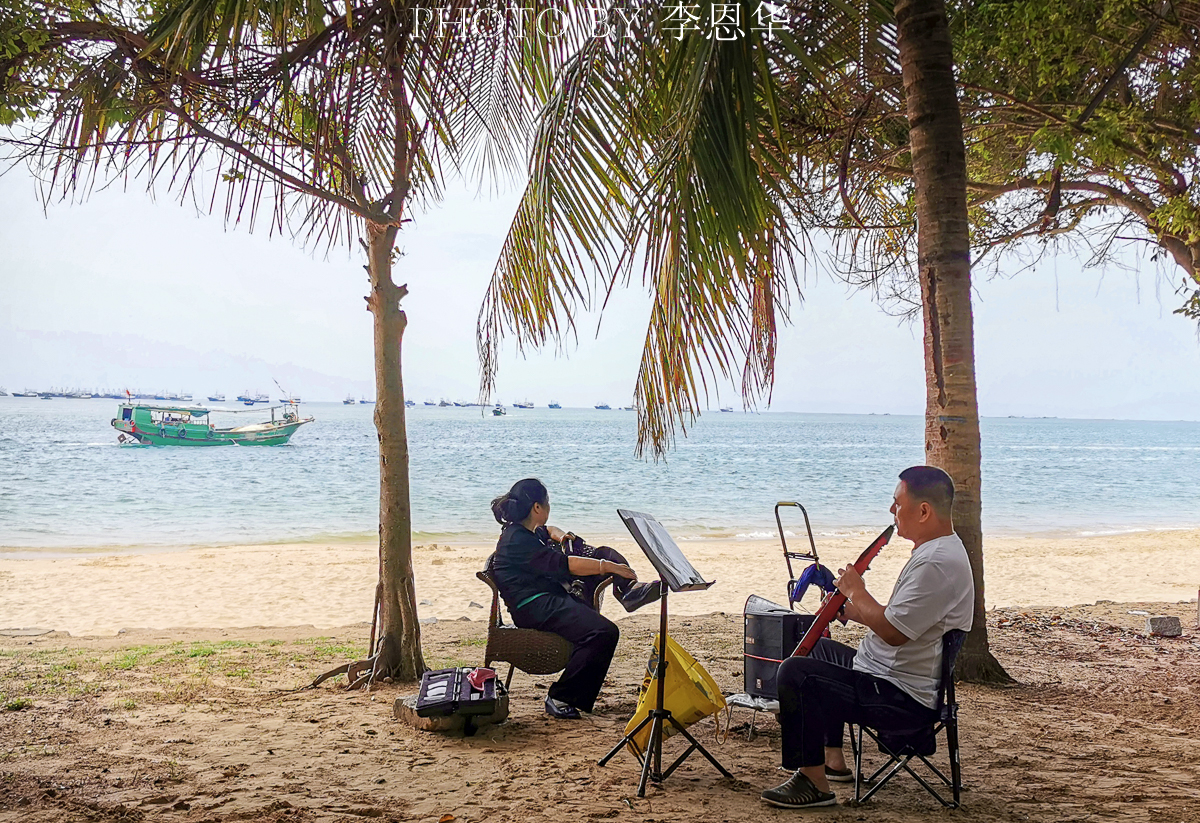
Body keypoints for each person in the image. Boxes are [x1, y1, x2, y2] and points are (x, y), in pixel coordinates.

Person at [761, 466, 975, 809]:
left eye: (897, 503)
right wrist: (849, 610)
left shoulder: (936, 563)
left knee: (794, 674)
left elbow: (892, 633)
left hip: (900, 696)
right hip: (884, 673)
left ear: (923, 511)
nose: (892, 511)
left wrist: (856, 590)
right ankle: (832, 761)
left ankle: (813, 784)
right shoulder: (939, 551)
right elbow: (900, 618)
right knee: (814, 652)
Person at [489, 478, 650, 719]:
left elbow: (549, 530)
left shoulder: (526, 530)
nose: (549, 506)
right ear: (537, 507)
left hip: (548, 594)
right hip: (534, 606)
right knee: (603, 632)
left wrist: (562, 535)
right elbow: (566, 564)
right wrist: (609, 567)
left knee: (603, 552)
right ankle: (561, 697)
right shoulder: (518, 540)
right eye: (547, 502)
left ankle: (629, 591)